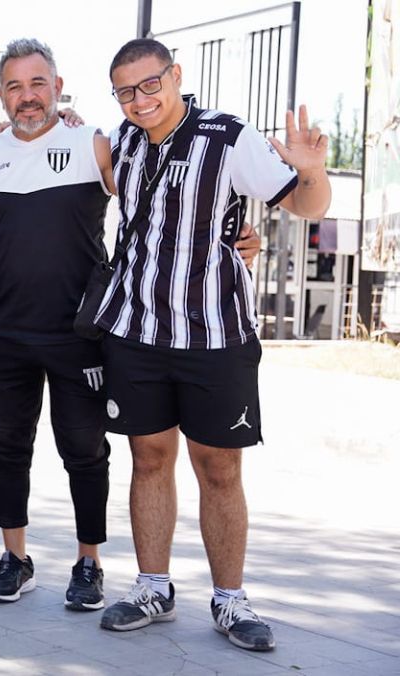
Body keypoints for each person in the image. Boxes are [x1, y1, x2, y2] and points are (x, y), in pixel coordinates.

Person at [95, 39, 330, 652]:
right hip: (137, 331)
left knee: (219, 467)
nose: (140, 100)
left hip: (216, 335)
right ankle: (153, 588)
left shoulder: (226, 136)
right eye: (125, 91)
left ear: (175, 75)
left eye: (150, 84)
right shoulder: (120, 141)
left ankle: (230, 599)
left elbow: (307, 205)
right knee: (148, 458)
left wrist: (311, 169)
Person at [0, 39, 117, 611]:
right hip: (3, 332)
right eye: (15, 86)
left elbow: (155, 202)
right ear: (1, 95)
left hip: (78, 333)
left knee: (85, 451)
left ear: (58, 87)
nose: (27, 96)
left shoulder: (92, 142)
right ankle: (15, 559)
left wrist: (236, 235)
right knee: (8, 450)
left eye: (37, 83)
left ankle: (89, 563)